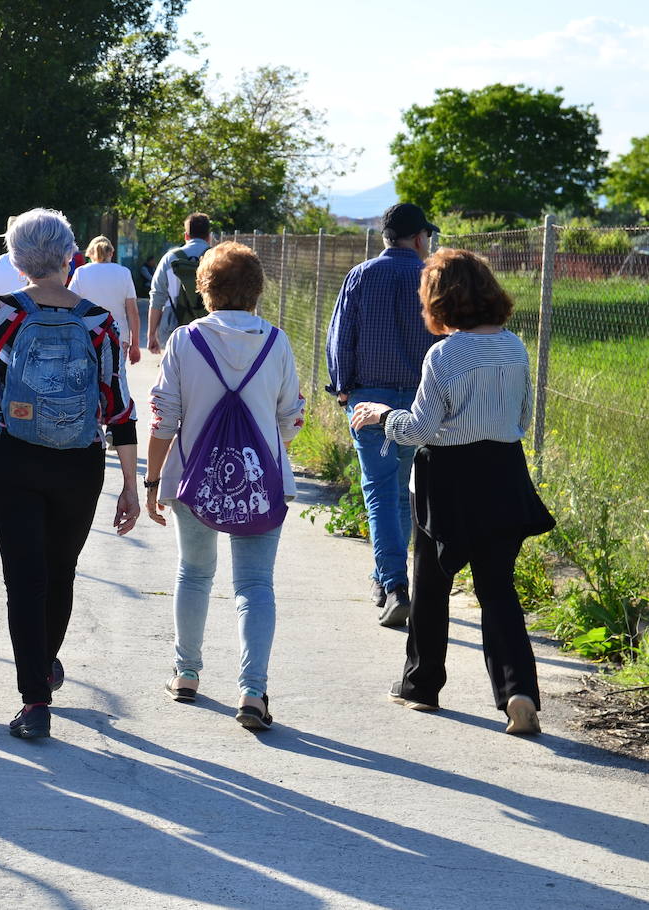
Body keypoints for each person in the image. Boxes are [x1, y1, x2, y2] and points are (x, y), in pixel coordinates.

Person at [0, 208, 140, 740]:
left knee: (23, 578)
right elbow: (119, 407)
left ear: (15, 260)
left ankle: (35, 700)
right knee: (60, 572)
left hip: (7, 457)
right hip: (78, 463)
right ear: (68, 257)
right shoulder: (99, 322)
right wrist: (129, 484)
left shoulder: (5, 311)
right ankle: (46, 661)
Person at [350, 249, 553, 735]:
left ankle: (421, 687)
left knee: (432, 581)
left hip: (449, 479)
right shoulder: (515, 348)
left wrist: (380, 415)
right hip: (504, 471)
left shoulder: (444, 354)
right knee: (498, 589)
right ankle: (518, 692)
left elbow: (419, 428)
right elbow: (523, 418)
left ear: (439, 300)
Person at [144, 242, 304, 731]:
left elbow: (163, 420)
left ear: (204, 288)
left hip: (193, 478)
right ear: (256, 290)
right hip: (260, 482)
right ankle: (253, 691)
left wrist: (152, 481)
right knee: (254, 585)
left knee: (194, 574)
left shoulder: (185, 341)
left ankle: (187, 673)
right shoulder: (276, 342)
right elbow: (291, 418)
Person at [326, 203, 441, 627]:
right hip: (419, 398)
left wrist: (343, 387)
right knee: (401, 489)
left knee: (378, 488)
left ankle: (394, 584)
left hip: (368, 398)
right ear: (418, 238)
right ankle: (385, 577)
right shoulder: (429, 277)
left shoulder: (360, 275)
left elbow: (341, 335)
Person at [146, 212, 213, 354]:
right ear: (209, 236)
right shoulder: (217, 258)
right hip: (210, 329)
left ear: (186, 236)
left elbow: (157, 296)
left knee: (176, 374)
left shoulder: (170, 258)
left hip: (175, 327)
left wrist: (151, 334)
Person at [69, 236, 140, 366]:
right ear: (111, 253)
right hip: (118, 336)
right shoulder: (124, 273)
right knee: (116, 379)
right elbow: (132, 313)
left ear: (90, 254)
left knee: (91, 380)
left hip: (88, 336)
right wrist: (135, 344)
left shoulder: (81, 273)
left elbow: (70, 307)